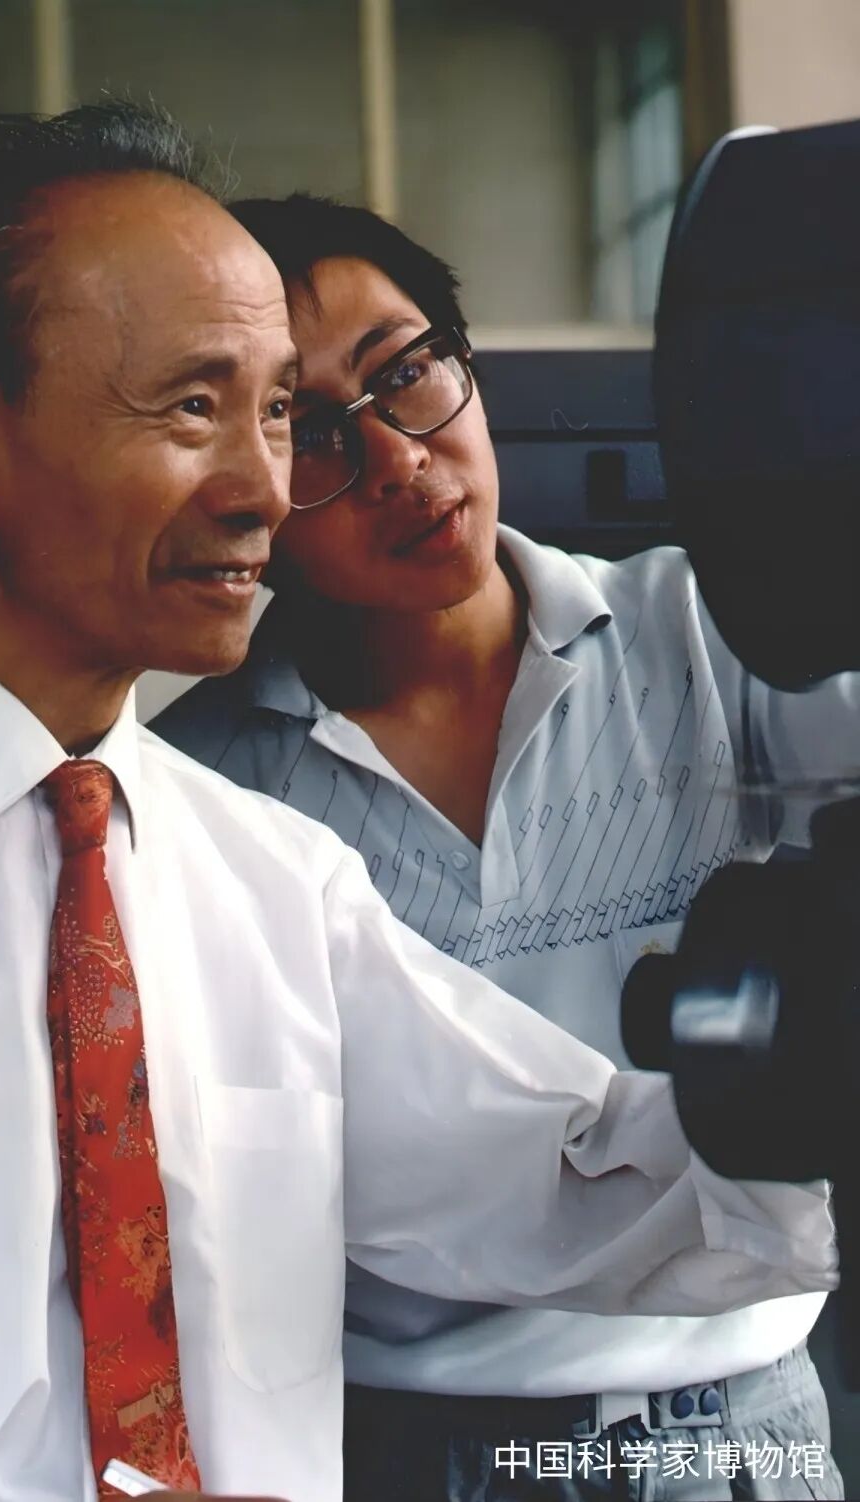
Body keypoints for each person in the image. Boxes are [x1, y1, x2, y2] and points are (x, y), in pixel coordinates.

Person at [0, 106, 837, 1502]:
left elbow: (572, 1180)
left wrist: (812, 1091)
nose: (266, 489)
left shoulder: (274, 880)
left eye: (276, 413)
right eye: (193, 406)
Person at [152, 193, 859, 1501]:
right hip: (415, 1451)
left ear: (467, 361)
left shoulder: (717, 632)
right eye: (314, 431)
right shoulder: (200, 790)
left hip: (741, 1429)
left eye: (407, 373)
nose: (397, 462)